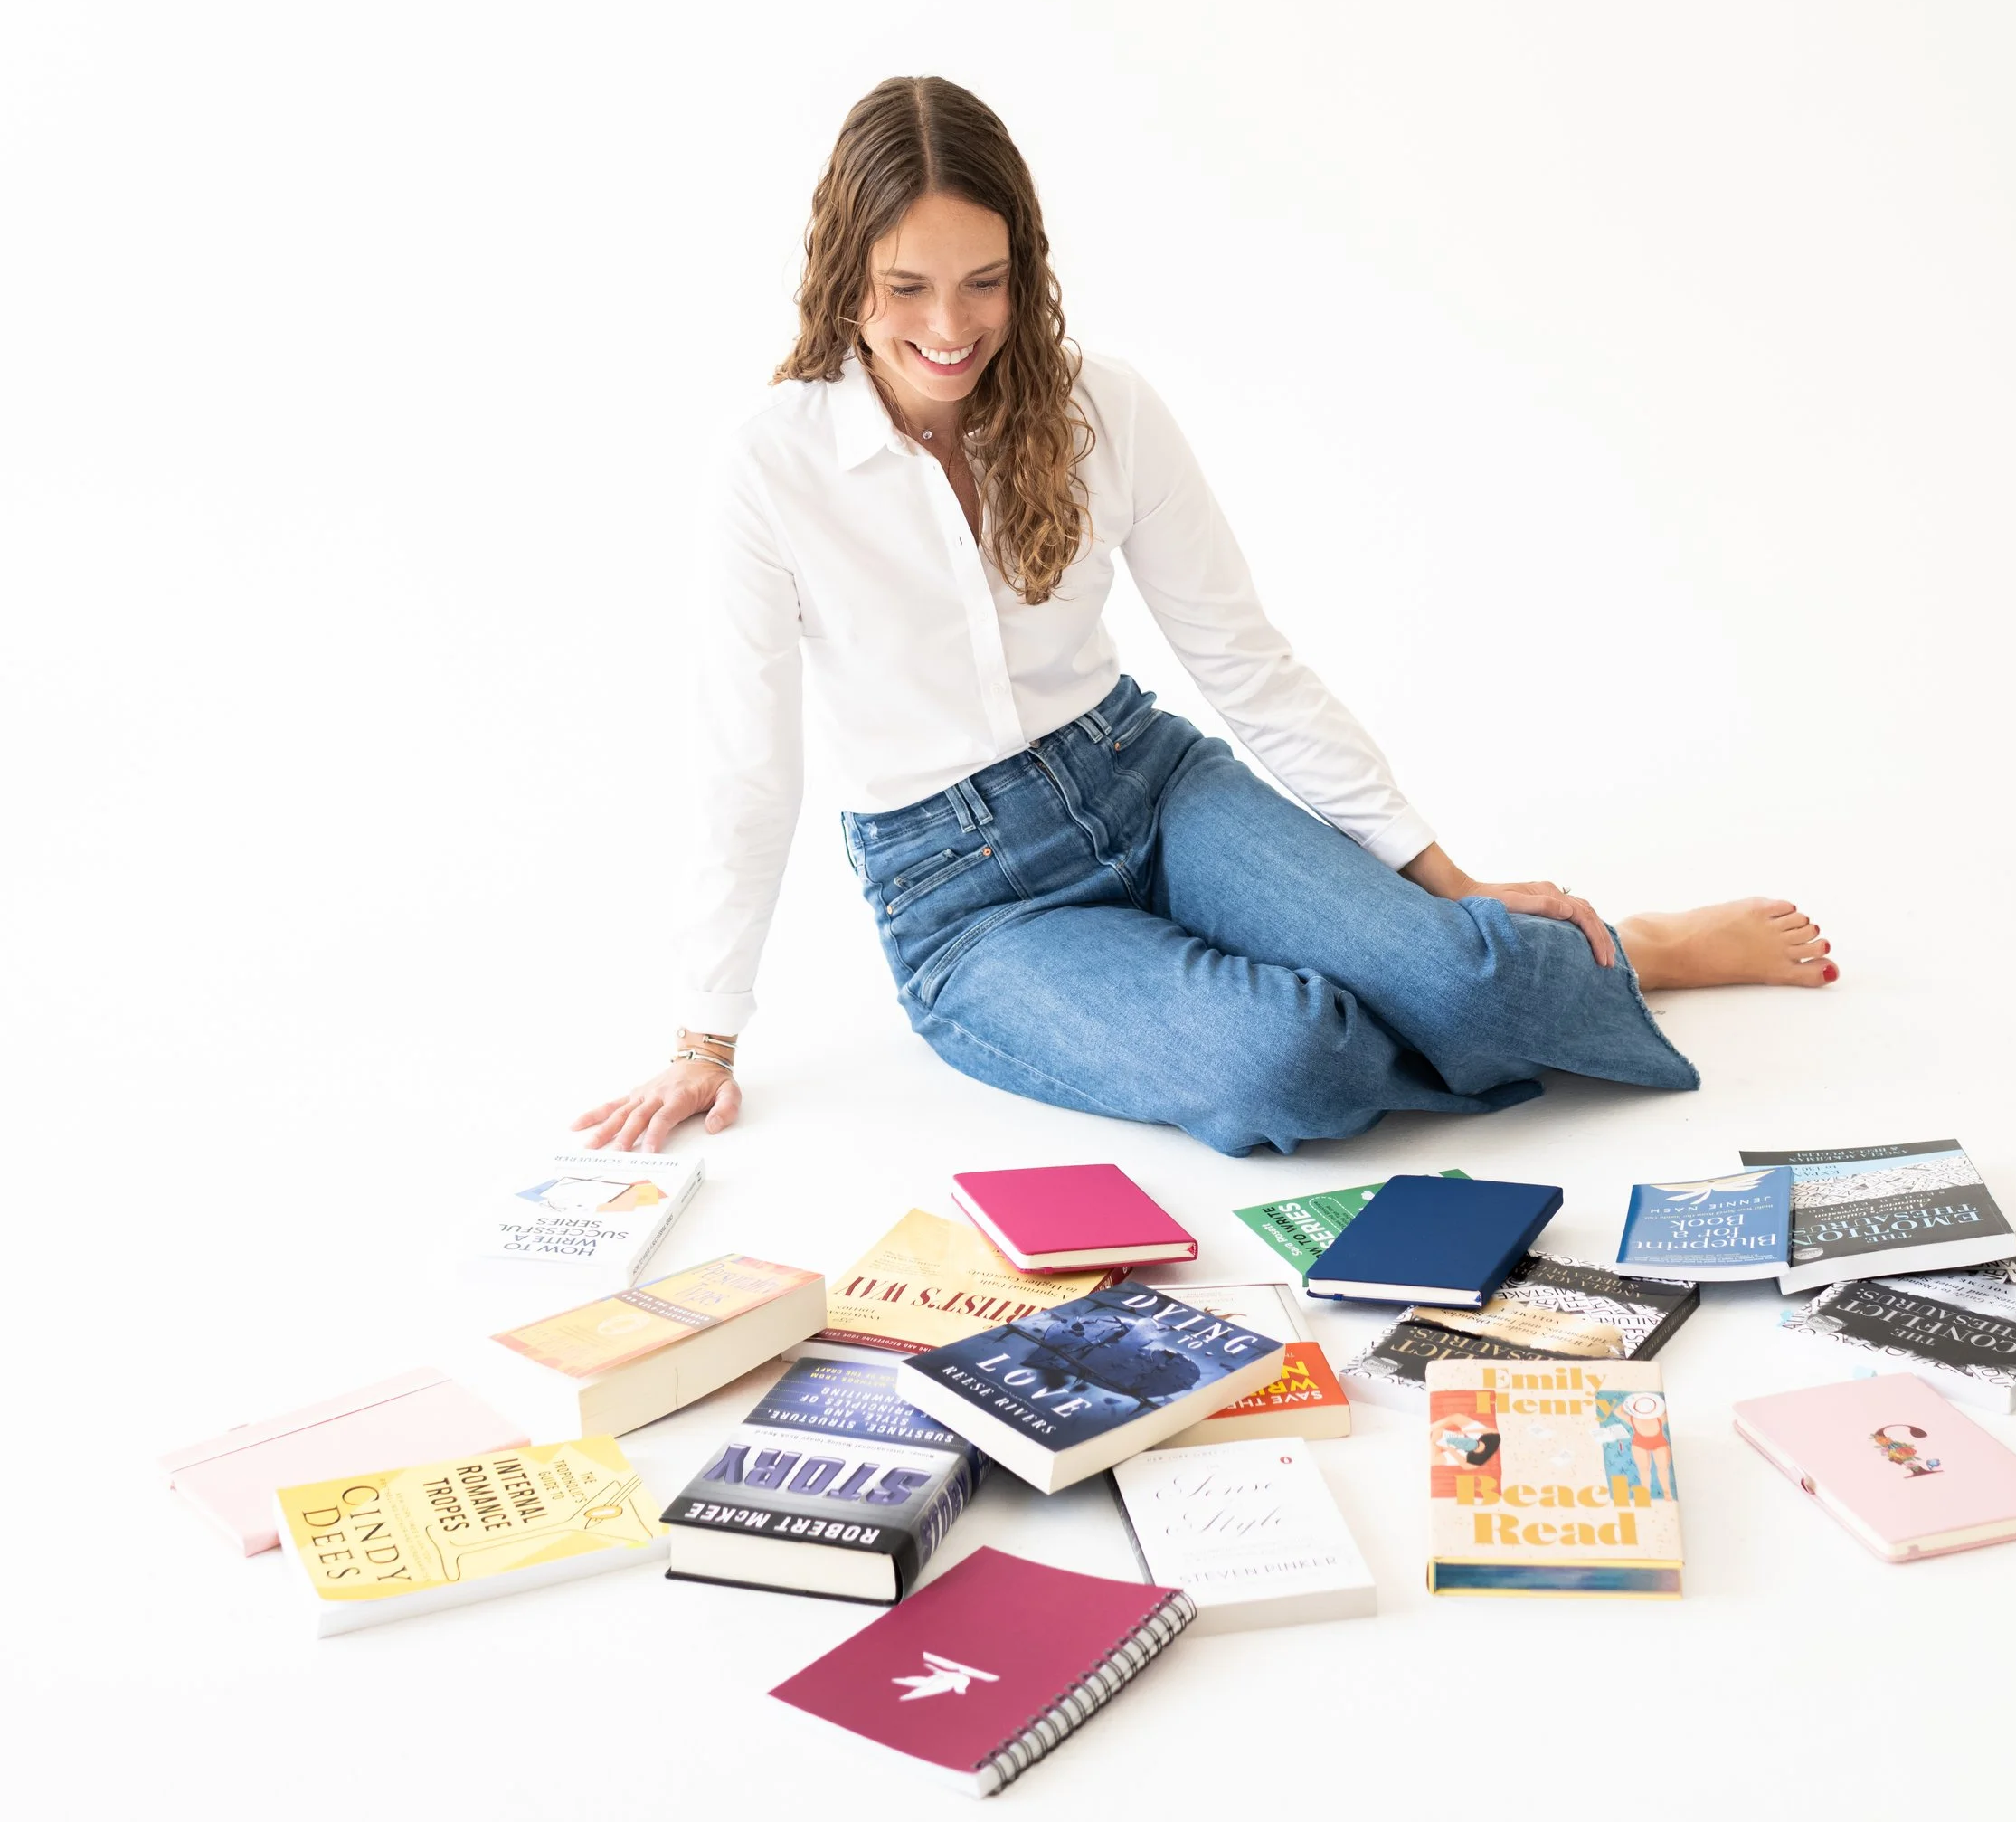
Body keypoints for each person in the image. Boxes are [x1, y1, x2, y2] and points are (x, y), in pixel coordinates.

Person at [577, 76, 1834, 1161]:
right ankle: (1485, 998)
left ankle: (1614, 953)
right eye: (908, 286)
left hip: (1144, 780)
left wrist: (1443, 886)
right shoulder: (770, 463)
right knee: (1289, 1065)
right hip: (969, 905)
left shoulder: (1100, 408)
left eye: (984, 282)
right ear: (844, 274)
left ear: (1026, 268)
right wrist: (705, 1034)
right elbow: (752, 761)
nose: (949, 327)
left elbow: (1244, 658)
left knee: (1456, 966)